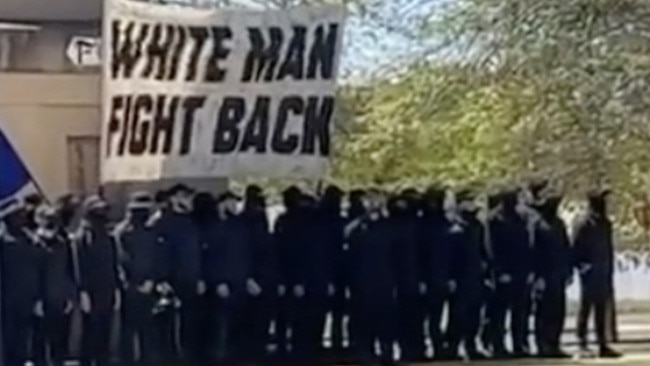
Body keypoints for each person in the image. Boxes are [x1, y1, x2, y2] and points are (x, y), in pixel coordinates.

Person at [152, 184, 205, 366]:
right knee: (170, 327)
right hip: (172, 282)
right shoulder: (163, 222)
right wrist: (163, 279)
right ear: (174, 199)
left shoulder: (189, 222)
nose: (189, 201)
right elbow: (159, 255)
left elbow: (195, 252)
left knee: (190, 324)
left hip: (190, 280)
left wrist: (199, 277)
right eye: (185, 197)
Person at [347, 189, 398, 366]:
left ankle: (387, 351)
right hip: (362, 281)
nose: (374, 204)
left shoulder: (390, 226)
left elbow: (397, 255)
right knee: (364, 319)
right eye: (370, 201)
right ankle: (365, 352)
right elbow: (348, 256)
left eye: (377, 200)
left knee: (386, 319)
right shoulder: (356, 227)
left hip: (386, 280)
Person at [573, 189, 621, 358]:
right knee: (586, 307)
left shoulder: (605, 224)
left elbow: (608, 248)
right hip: (589, 272)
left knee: (602, 308)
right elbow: (576, 248)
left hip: (604, 271)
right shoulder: (583, 223)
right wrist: (582, 267)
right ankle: (582, 342)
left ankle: (602, 343)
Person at [489, 189, 535, 357]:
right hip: (503, 273)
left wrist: (529, 269)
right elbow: (491, 247)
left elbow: (527, 245)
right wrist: (499, 270)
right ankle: (498, 345)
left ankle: (519, 344)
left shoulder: (521, 217)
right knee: (499, 312)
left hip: (521, 271)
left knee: (520, 311)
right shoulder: (495, 218)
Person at [77, 195, 120, 366]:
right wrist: (83, 292)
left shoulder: (108, 237)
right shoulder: (82, 238)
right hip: (90, 291)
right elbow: (79, 265)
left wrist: (116, 288)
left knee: (105, 329)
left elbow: (113, 263)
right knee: (90, 332)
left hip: (107, 289)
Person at [116, 192, 159, 366]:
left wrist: (150, 280)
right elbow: (122, 260)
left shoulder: (149, 231)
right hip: (132, 287)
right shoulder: (123, 232)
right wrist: (138, 282)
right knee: (132, 329)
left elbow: (157, 258)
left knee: (144, 329)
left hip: (142, 286)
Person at [0, 199, 44, 366]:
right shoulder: (3, 241)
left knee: (23, 341)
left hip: (27, 298)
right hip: (7, 301)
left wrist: (38, 295)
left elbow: (38, 268)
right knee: (8, 343)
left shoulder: (30, 240)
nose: (23, 218)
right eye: (19, 215)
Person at [446, 190, 486, 361]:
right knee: (458, 314)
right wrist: (450, 277)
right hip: (459, 277)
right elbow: (447, 256)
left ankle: (471, 345)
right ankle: (453, 347)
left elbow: (483, 250)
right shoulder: (454, 227)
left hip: (475, 275)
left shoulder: (477, 225)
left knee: (474, 314)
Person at [32, 204, 75, 366]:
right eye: (47, 220)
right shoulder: (34, 244)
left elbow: (70, 270)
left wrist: (70, 296)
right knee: (41, 341)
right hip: (42, 301)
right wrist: (36, 300)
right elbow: (33, 275)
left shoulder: (63, 243)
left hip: (61, 300)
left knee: (60, 341)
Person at [533, 193, 571, 358]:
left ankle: (555, 343)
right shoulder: (537, 224)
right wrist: (537, 276)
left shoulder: (559, 224)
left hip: (559, 274)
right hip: (544, 274)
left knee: (558, 310)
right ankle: (542, 345)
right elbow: (533, 251)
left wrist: (568, 270)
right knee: (543, 311)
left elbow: (566, 247)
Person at [389, 192, 425, 362]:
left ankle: (415, 349)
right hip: (400, 279)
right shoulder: (409, 227)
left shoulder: (417, 226)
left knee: (414, 317)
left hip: (413, 277)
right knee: (404, 317)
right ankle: (406, 350)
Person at [421, 187, 454, 360]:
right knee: (433, 315)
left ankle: (439, 345)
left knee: (437, 314)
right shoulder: (429, 225)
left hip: (441, 275)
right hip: (432, 276)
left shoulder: (442, 223)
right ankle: (435, 345)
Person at [317, 185, 347, 362]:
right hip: (335, 270)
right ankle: (335, 344)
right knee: (336, 312)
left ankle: (324, 343)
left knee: (324, 312)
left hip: (329, 271)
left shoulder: (318, 221)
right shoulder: (337, 222)